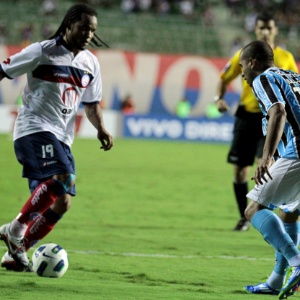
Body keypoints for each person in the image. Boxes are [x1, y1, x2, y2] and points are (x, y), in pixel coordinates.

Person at [0, 4, 113, 272]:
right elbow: (3, 69)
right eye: (84, 27)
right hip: (33, 128)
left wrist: (101, 128)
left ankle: (15, 254)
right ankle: (13, 230)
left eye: (93, 30)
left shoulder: (90, 63)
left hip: (62, 138)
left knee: (62, 202)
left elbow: (91, 103)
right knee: (63, 178)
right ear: (69, 24)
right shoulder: (42, 51)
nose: (88, 34)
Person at [214, 12, 298, 231]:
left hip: (274, 120)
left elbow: (288, 98)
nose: (265, 31)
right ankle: (247, 216)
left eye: (269, 28)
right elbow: (223, 79)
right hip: (247, 116)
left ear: (275, 30)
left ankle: (261, 212)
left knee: (267, 162)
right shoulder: (243, 54)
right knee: (240, 170)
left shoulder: (286, 59)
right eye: (261, 27)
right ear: (256, 30)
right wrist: (219, 98)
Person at [239, 40, 300, 299]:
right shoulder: (293, 76)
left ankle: (297, 263)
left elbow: (278, 111)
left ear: (252, 62)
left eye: (242, 65)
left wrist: (264, 158)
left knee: (253, 209)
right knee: (290, 211)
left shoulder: (262, 79)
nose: (242, 72)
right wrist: (274, 157)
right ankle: (276, 280)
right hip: (291, 150)